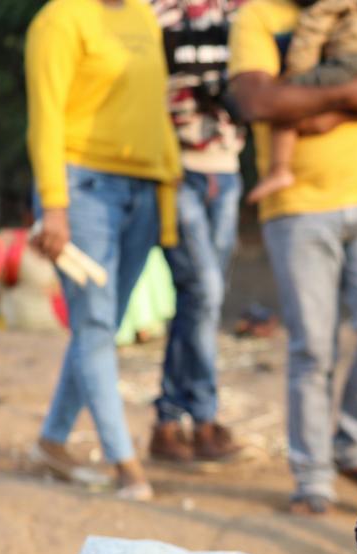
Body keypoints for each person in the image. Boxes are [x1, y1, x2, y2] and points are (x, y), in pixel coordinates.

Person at [227, 0, 357, 514]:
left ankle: (354, 445)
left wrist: (321, 107)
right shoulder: (257, 18)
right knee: (312, 348)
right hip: (296, 206)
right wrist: (354, 94)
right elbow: (257, 101)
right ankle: (311, 475)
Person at [25, 0, 182, 500]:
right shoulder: (60, 19)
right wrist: (53, 206)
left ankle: (52, 440)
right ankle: (125, 463)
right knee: (93, 325)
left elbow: (156, 112)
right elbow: (45, 118)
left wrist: (168, 198)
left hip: (143, 189)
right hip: (81, 187)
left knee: (105, 323)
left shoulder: (141, 15)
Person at [146, 0, 246, 464]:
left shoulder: (242, 11)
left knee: (200, 296)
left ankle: (167, 422)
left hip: (226, 168)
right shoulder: (154, 10)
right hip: (175, 168)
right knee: (204, 290)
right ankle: (203, 416)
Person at [242, 0, 357, 207]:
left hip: (350, 63)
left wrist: (300, 70)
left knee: (289, 90)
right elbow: (255, 104)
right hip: (298, 205)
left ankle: (279, 170)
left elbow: (314, 23)